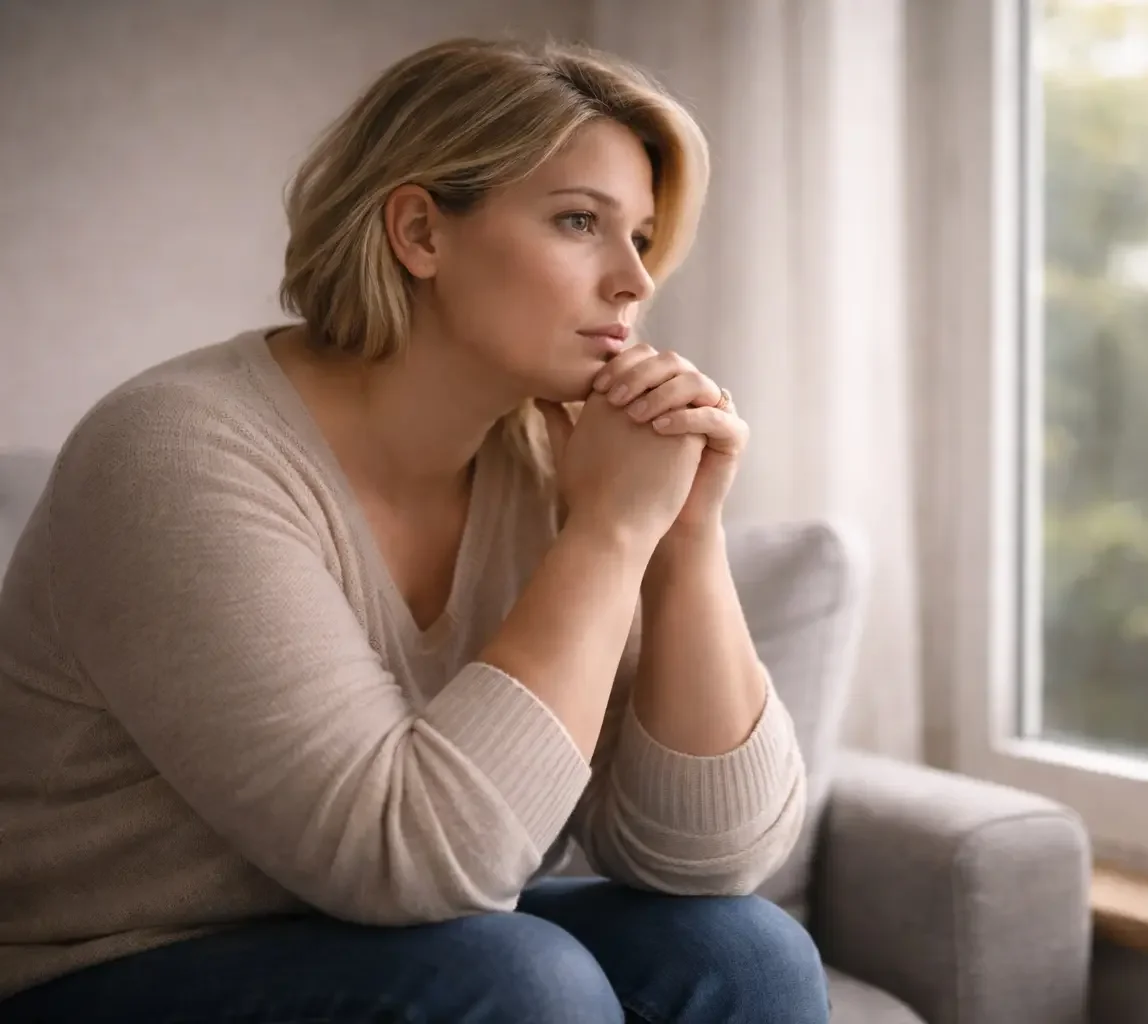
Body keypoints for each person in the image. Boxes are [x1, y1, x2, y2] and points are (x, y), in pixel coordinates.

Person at [0, 36, 829, 1023]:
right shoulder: (177, 454)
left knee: (744, 949)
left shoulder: (554, 456)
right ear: (419, 232)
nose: (634, 282)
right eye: (579, 222)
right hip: (104, 969)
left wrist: (682, 536)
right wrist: (608, 532)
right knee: (519, 981)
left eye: (642, 239)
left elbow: (708, 855)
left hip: (400, 934)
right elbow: (407, 858)